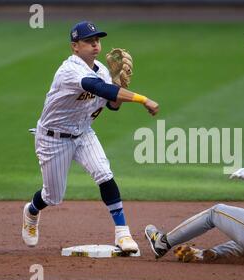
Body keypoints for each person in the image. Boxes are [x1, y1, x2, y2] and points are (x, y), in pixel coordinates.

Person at [22, 21, 159, 253]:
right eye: (88, 41)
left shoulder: (101, 71)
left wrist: (118, 85)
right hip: (53, 139)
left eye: (97, 40)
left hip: (84, 133)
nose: (95, 45)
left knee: (104, 174)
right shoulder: (70, 71)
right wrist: (142, 98)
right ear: (75, 46)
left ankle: (123, 234)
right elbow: (100, 89)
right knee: (53, 196)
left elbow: (112, 104)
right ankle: (31, 211)